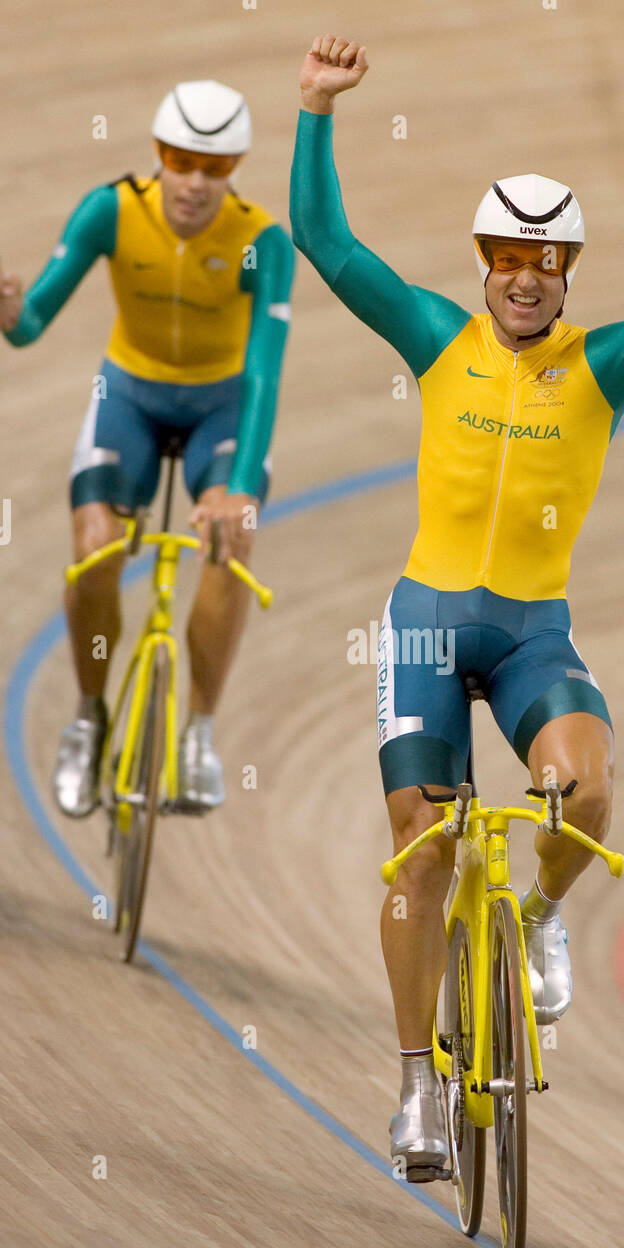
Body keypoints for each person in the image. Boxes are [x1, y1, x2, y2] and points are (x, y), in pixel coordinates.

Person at [290, 35, 624, 1180]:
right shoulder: (435, 337)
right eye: (506, 251)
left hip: (530, 634)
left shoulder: (604, 363)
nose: (523, 272)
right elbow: (325, 241)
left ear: (569, 270)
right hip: (426, 628)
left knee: (587, 787)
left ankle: (539, 920)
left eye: (545, 256)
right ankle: (412, 1089)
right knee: (422, 849)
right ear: (483, 259)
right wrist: (316, 110)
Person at [1, 81, 294, 816]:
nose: (195, 182)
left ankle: (198, 731)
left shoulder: (262, 243)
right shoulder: (112, 211)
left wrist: (233, 493)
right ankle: (89, 714)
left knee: (232, 541)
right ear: (158, 155)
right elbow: (33, 321)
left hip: (222, 408)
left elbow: (263, 371)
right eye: (180, 159)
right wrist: (9, 313)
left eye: (216, 167)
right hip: (128, 398)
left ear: (236, 169)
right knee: (95, 547)